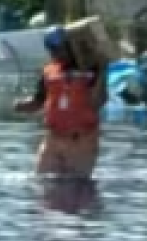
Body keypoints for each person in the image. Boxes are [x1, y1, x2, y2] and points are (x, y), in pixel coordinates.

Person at [13, 26, 103, 179]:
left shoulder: (91, 69)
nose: (54, 53)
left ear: (70, 46)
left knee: (77, 187)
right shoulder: (48, 71)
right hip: (53, 139)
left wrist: (102, 71)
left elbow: (100, 100)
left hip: (81, 141)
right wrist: (22, 105)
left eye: (58, 48)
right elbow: (38, 101)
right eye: (51, 49)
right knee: (42, 183)